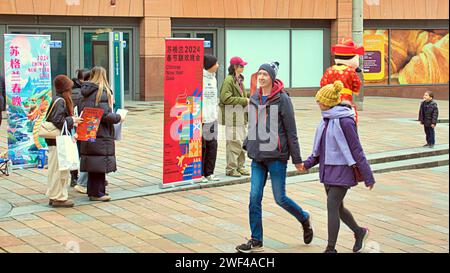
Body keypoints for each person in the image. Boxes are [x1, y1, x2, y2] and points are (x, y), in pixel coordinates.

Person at [236, 61, 313, 253]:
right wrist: (248, 144)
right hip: (257, 157)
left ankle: (303, 217)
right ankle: (256, 240)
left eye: (265, 74)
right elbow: (254, 126)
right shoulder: (254, 97)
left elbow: (291, 130)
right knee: (254, 198)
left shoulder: (283, 99)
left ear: (272, 77)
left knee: (280, 198)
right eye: (259, 74)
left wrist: (297, 159)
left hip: (277, 156)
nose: (261, 77)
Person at [299, 81, 375, 253]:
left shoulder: (345, 121)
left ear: (327, 102)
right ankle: (359, 231)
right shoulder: (326, 119)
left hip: (343, 170)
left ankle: (330, 248)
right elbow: (321, 150)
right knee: (338, 208)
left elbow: (357, 149)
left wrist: (368, 176)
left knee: (332, 205)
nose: (317, 103)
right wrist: (307, 164)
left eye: (319, 100)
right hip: (328, 170)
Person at [79, 66, 123, 202]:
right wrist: (118, 117)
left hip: (88, 130)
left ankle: (93, 191)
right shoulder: (101, 92)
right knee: (99, 161)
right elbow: (105, 116)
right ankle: (98, 193)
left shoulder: (85, 91)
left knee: (93, 161)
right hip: (101, 132)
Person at [45, 75, 83, 207]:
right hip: (57, 141)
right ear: (65, 88)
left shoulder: (56, 99)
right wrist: (73, 120)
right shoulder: (60, 101)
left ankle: (54, 195)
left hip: (54, 141)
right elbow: (58, 120)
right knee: (59, 170)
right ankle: (58, 197)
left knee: (56, 170)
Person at [219, 56, 250, 177]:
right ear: (234, 67)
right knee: (233, 143)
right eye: (241, 66)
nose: (243, 67)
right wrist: (244, 100)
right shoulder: (229, 80)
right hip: (232, 116)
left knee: (241, 142)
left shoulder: (240, 79)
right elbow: (225, 98)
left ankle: (240, 166)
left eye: (243, 65)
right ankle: (231, 168)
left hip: (241, 116)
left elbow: (243, 95)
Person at [201, 55, 220, 183]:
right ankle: (201, 173)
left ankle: (210, 172)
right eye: (216, 63)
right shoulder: (199, 78)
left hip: (213, 118)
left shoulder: (214, 79)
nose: (218, 65)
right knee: (202, 147)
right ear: (210, 65)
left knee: (213, 146)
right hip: (202, 119)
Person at [71, 69, 90, 189]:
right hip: (80, 124)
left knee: (75, 151)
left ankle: (74, 177)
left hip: (73, 124)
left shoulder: (72, 90)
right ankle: (81, 179)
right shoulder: (83, 92)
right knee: (81, 151)